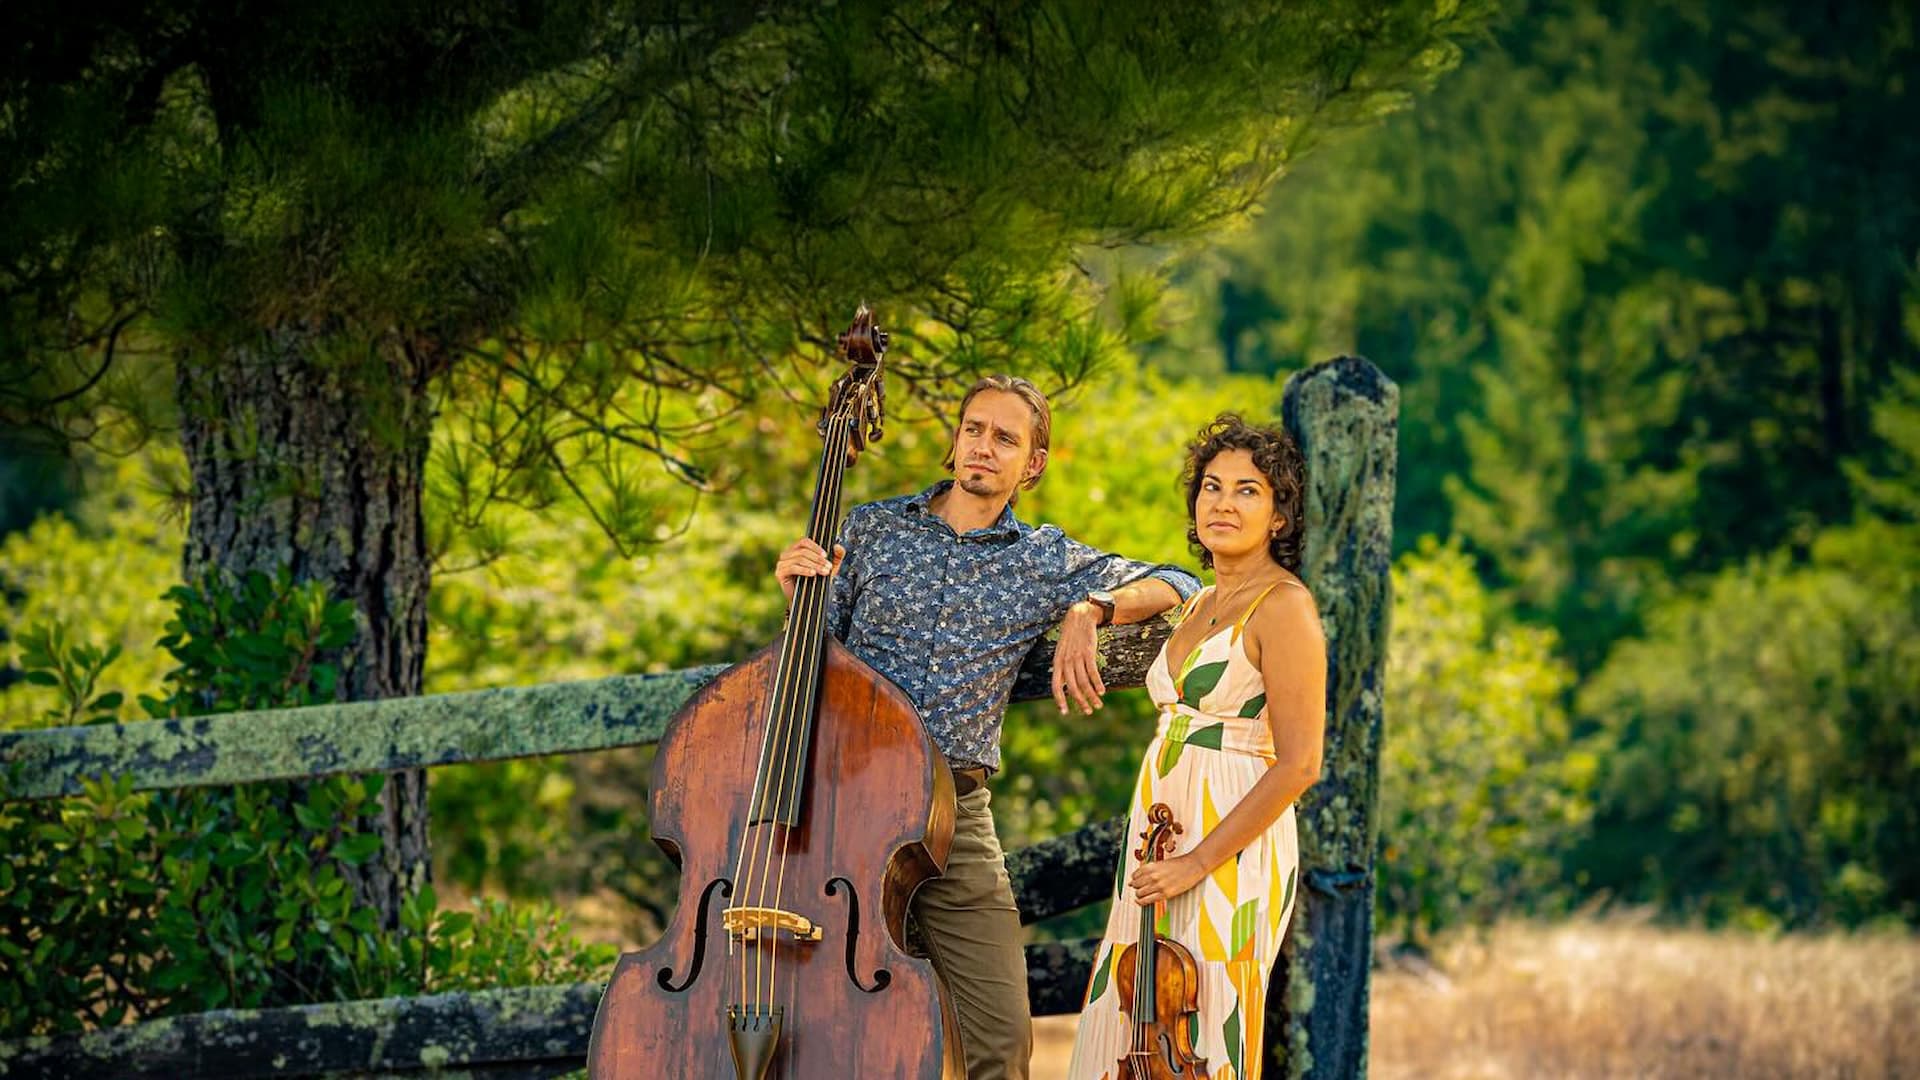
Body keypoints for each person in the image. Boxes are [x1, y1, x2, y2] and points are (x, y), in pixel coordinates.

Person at [775, 374, 1201, 1080]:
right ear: (956, 440)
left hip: (953, 814)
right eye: (974, 429)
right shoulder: (872, 530)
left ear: (1033, 464)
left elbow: (1180, 582)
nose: (983, 446)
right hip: (842, 804)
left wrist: (1090, 608)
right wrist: (799, 600)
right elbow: (817, 662)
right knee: (828, 1033)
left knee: (1001, 1041)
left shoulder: (1043, 559)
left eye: (1006, 438)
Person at [1066, 414, 1326, 1080]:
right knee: (1127, 1015)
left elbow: (1301, 763)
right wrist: (1089, 609)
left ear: (1279, 516)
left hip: (1229, 846)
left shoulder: (1284, 606)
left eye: (1247, 490)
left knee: (1204, 1032)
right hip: (1158, 830)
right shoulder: (1198, 601)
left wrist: (1198, 862)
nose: (1223, 503)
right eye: (1212, 487)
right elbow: (1148, 586)